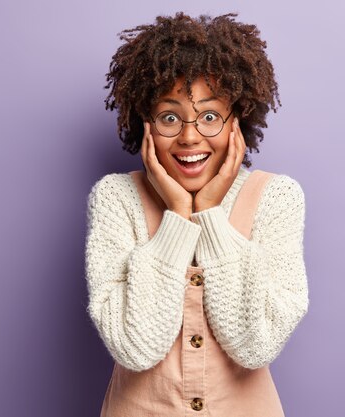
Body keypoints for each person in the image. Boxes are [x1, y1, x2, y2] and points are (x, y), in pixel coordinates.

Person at [84, 12, 309, 416]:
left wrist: (208, 213)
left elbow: (255, 346)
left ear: (236, 120)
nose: (190, 136)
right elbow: (135, 349)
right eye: (170, 117)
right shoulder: (116, 198)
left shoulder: (276, 198)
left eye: (209, 116)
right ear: (146, 123)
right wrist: (177, 215)